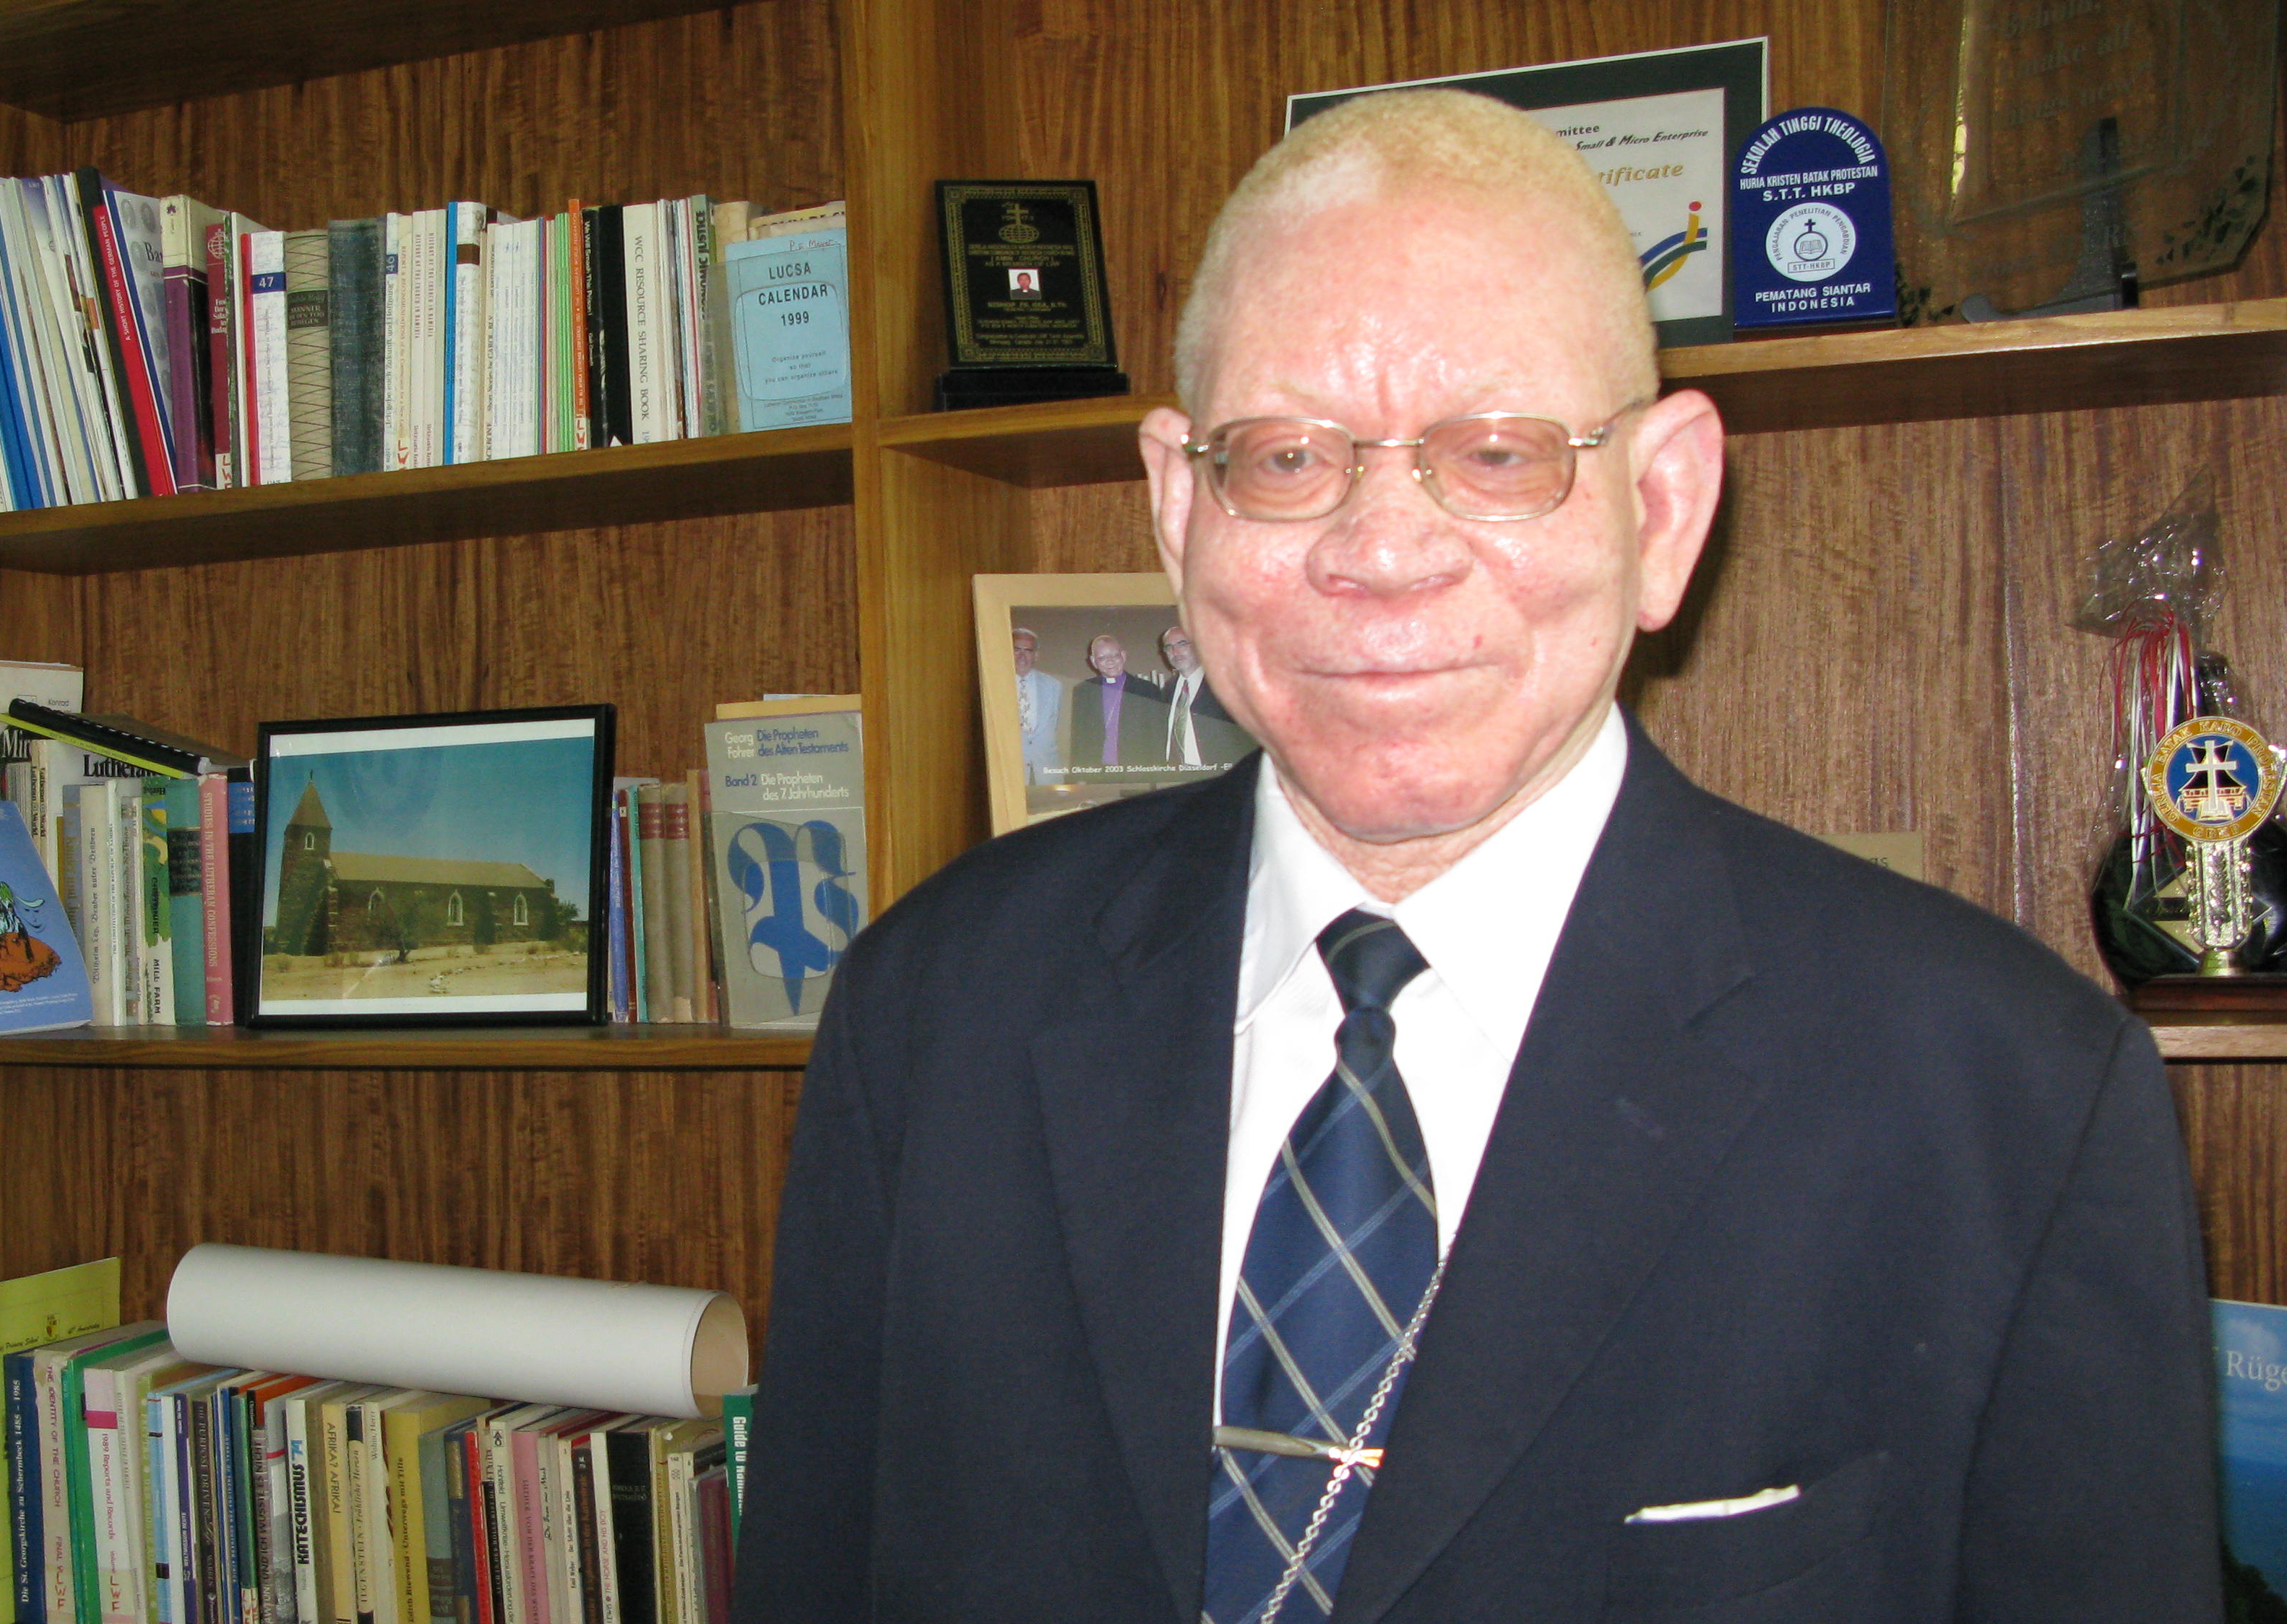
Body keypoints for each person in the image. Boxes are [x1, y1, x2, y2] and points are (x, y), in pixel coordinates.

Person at [734, 87, 2214, 1624]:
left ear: (1661, 507)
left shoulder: (2010, 1099)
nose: (1382, 552)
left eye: (1498, 452)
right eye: (1287, 456)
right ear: (1178, 506)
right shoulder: (931, 1007)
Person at [1066, 631, 1171, 772]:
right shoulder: (1083, 691)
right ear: (1093, 661)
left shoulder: (1147, 690)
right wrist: (1078, 774)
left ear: (1123, 656)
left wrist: (1157, 773)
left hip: (1137, 770)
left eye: (1115, 655)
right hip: (1096, 770)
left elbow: (1157, 738)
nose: (1110, 661)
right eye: (1102, 657)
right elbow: (1078, 739)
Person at [1153, 623, 1251, 769]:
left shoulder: (1223, 685)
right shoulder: (1167, 690)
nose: (1175, 652)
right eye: (1169, 647)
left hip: (1216, 773)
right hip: (1175, 773)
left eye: (1182, 644)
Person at [1014, 625, 1067, 783]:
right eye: (1017, 650)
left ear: (1036, 655)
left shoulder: (1053, 686)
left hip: (1046, 772)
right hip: (1010, 772)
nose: (1022, 656)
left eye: (1028, 651)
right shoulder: (993, 685)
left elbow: (1052, 726)